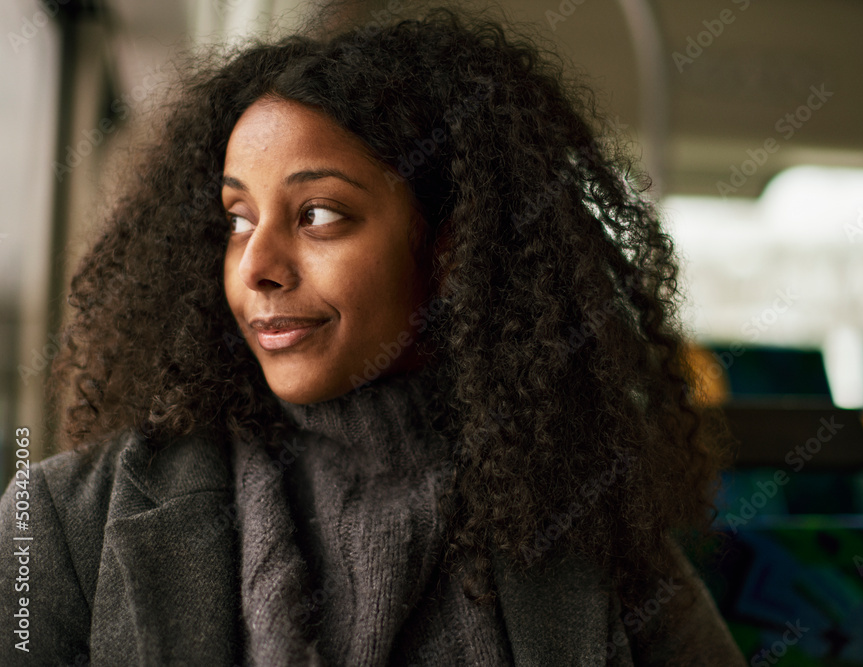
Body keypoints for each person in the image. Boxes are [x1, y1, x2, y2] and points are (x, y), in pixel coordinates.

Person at [1, 5, 746, 665]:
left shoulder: (589, 529)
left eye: (319, 214)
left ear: (452, 249)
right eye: (237, 220)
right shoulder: (63, 523)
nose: (254, 265)